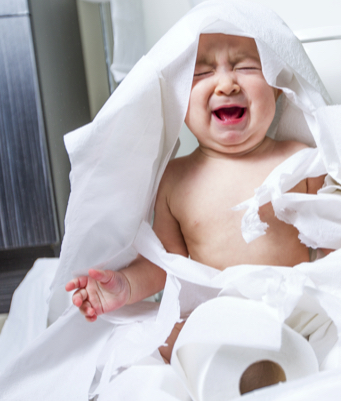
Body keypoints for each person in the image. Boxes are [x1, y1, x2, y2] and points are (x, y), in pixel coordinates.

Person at [65, 33, 326, 364]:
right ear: (179, 98)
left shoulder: (300, 161)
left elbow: (336, 242)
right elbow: (164, 264)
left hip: (291, 314)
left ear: (275, 84)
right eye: (202, 74)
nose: (226, 84)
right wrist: (124, 286)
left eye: (245, 67)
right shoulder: (176, 179)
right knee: (164, 343)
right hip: (217, 320)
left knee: (339, 332)